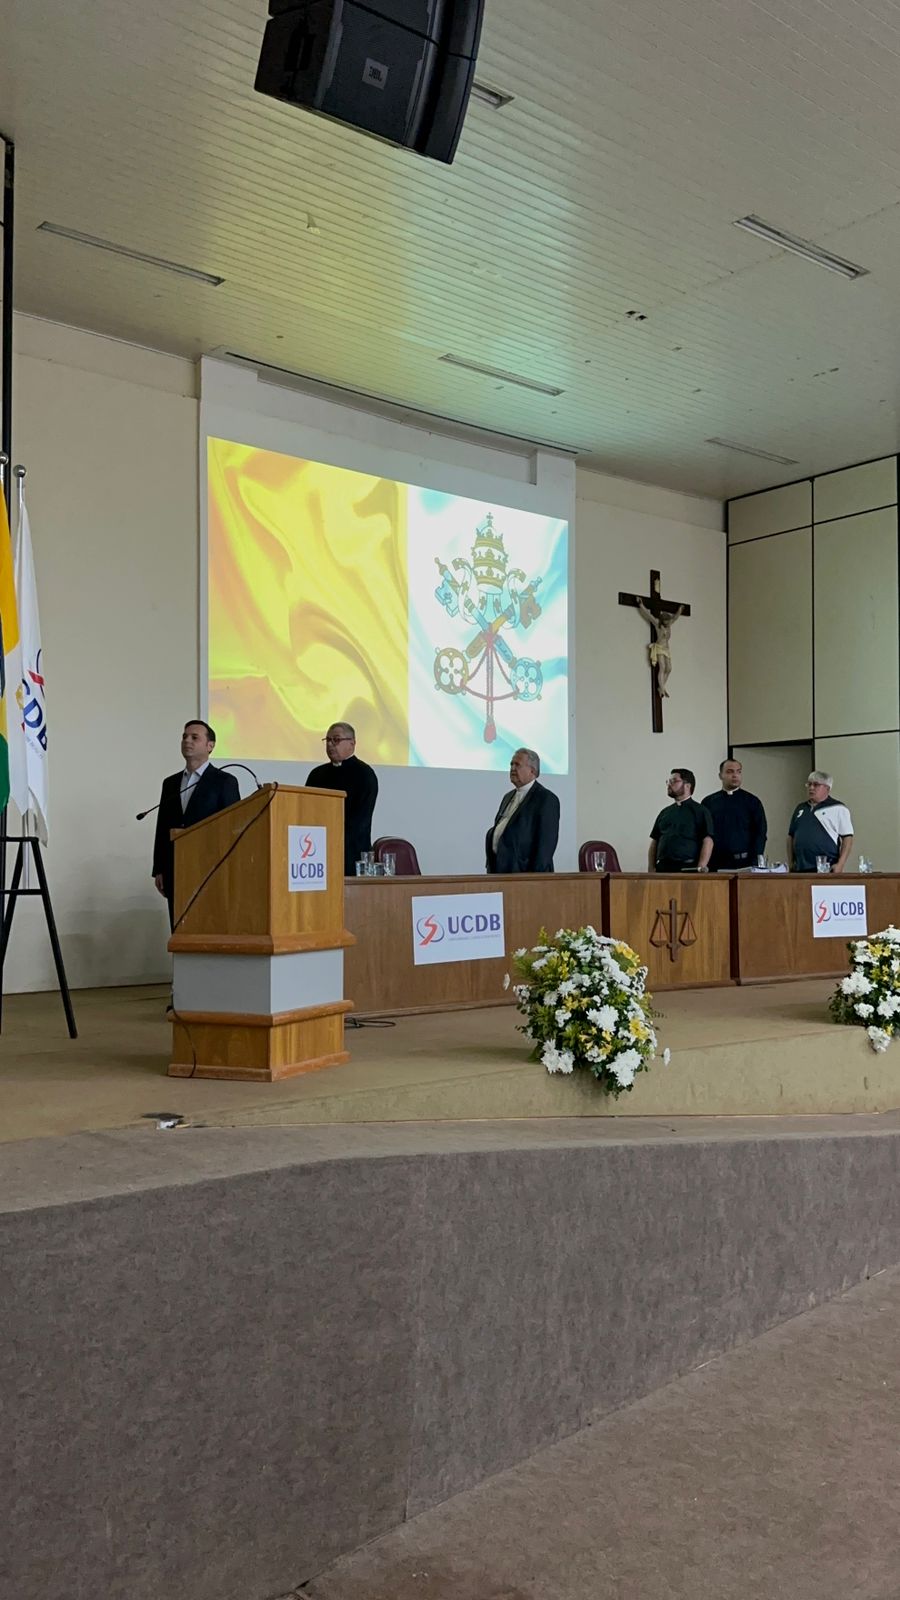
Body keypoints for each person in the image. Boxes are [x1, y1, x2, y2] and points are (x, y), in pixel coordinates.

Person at [152, 720, 241, 928]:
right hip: (175, 868)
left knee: (208, 928)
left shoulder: (224, 781)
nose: (187, 741)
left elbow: (232, 827)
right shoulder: (170, 783)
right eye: (184, 736)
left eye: (194, 737)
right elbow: (162, 827)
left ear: (210, 746)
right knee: (178, 929)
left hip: (210, 868)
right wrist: (159, 868)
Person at [306, 721, 378, 876]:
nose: (330, 744)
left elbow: (361, 819)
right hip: (317, 853)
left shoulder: (364, 774)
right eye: (328, 740)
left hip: (352, 853)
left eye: (336, 740)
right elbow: (307, 811)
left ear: (352, 743)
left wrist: (333, 838)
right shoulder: (317, 775)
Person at [486, 748, 560, 873]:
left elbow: (545, 846)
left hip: (525, 877)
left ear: (533, 770)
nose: (512, 768)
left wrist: (533, 879)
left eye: (517, 765)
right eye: (511, 764)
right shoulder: (508, 797)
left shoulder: (546, 799)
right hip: (500, 872)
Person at [701, 759, 767, 871]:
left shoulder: (752, 801)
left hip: (745, 863)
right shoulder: (709, 802)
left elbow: (760, 832)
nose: (735, 775)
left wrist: (755, 860)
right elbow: (703, 833)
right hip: (715, 864)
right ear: (720, 775)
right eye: (730, 772)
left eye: (738, 771)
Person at [787, 772, 854, 874]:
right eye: (809, 784)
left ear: (827, 788)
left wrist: (840, 864)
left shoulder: (838, 808)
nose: (811, 788)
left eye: (816, 785)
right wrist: (791, 862)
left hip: (826, 868)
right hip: (800, 868)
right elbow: (790, 836)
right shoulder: (800, 808)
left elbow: (848, 838)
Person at [649, 769, 714, 873]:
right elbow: (655, 840)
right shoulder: (665, 812)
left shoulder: (701, 811)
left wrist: (701, 867)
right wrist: (651, 868)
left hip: (688, 868)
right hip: (662, 869)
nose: (669, 785)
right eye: (668, 781)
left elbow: (708, 841)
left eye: (674, 781)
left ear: (687, 786)